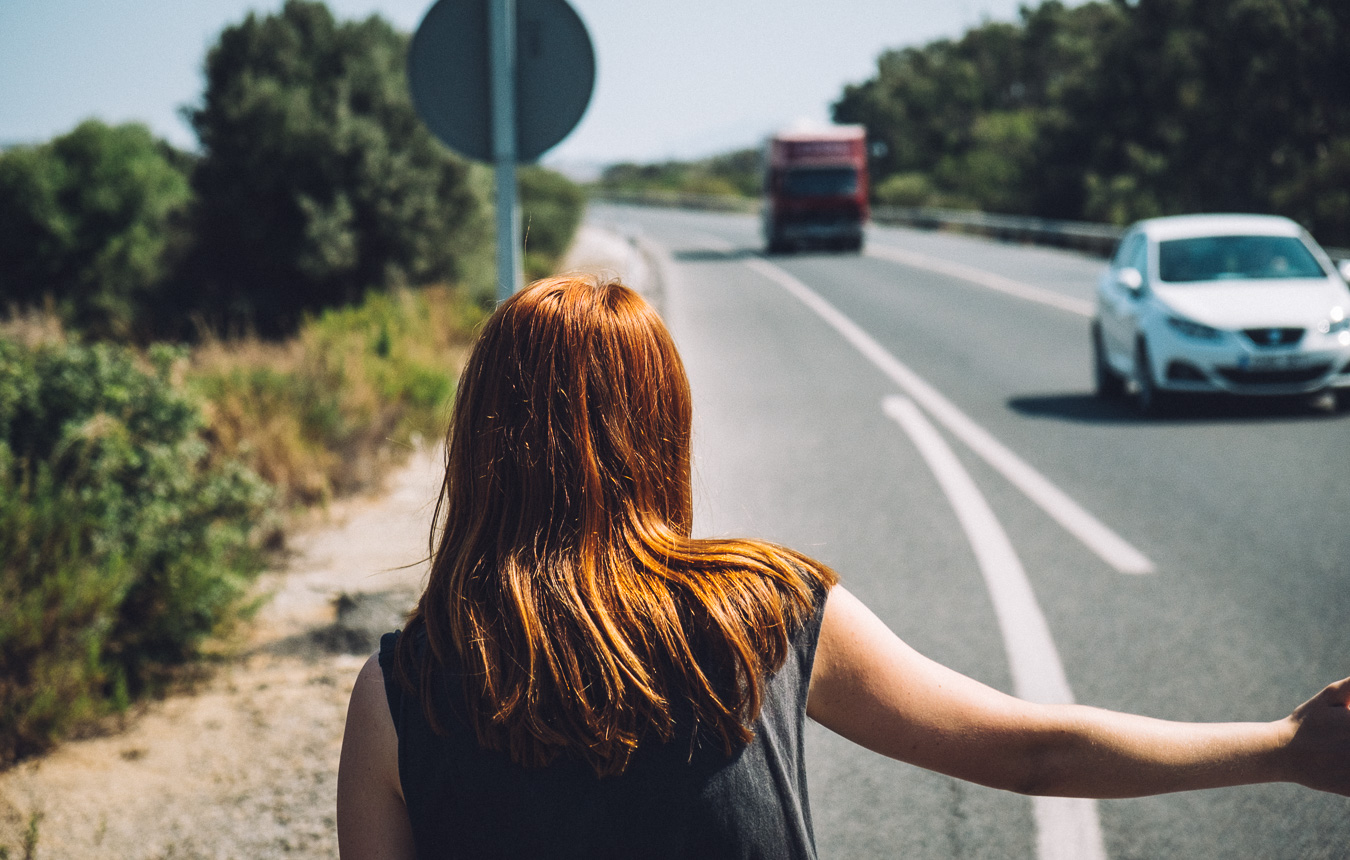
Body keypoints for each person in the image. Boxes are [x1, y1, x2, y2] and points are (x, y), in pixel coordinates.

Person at [337, 274, 1349, 859]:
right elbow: (1030, 753)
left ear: (480, 438)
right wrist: (1283, 747)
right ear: (660, 431)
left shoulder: (398, 690)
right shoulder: (759, 610)